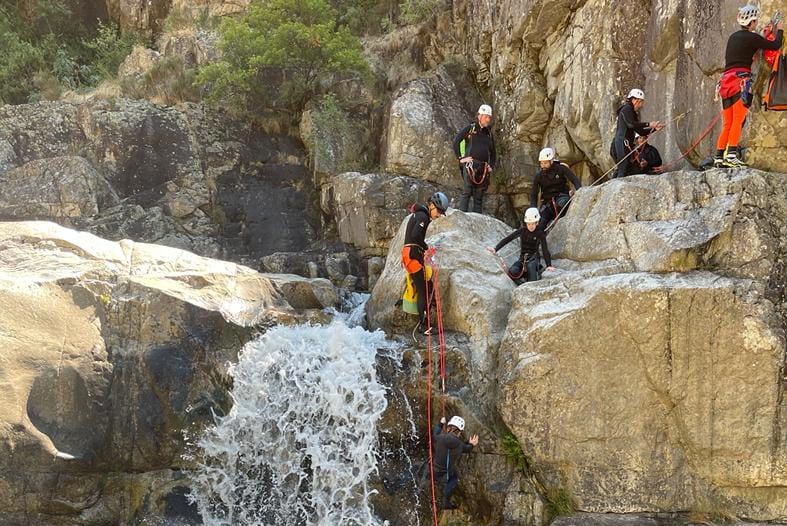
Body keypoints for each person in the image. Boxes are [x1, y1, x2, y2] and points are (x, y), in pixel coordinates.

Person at [714, 5, 783, 168]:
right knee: (738, 120)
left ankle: (719, 157)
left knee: (727, 123)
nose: (756, 22)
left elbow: (752, 46)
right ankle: (731, 155)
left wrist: (764, 35)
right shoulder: (752, 38)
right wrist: (779, 30)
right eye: (755, 20)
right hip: (740, 81)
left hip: (725, 82)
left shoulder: (733, 37)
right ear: (752, 22)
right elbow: (775, 45)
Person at [401, 191, 448, 335]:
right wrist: (426, 248)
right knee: (424, 291)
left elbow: (414, 237)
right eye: (438, 211)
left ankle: (425, 322)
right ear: (432, 206)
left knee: (426, 286)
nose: (439, 214)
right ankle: (424, 326)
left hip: (412, 254)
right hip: (412, 255)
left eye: (441, 212)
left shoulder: (420, 215)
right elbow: (415, 235)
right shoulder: (423, 216)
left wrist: (424, 249)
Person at [488, 207, 555, 284]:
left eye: (533, 223)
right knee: (512, 272)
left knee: (531, 271)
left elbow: (545, 249)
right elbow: (508, 239)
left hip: (534, 259)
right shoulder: (522, 231)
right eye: (528, 224)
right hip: (522, 259)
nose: (530, 226)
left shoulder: (540, 233)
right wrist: (495, 249)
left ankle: (536, 273)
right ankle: (522, 284)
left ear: (537, 222)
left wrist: (549, 265)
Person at [452, 104, 497, 214]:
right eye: (486, 117)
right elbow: (456, 141)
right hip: (470, 165)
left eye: (489, 117)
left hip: (483, 168)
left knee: (479, 197)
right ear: (480, 116)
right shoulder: (471, 128)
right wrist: (461, 158)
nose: (488, 120)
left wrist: (491, 165)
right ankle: (462, 218)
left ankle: (476, 220)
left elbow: (493, 153)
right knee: (467, 192)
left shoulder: (489, 134)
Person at [610, 89, 664, 179]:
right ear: (634, 100)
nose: (641, 105)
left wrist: (654, 129)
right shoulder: (627, 109)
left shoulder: (631, 112)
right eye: (640, 102)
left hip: (623, 143)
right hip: (622, 143)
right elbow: (631, 124)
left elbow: (640, 131)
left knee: (627, 169)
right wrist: (649, 124)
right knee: (623, 168)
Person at [432, 416, 479, 510]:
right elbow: (467, 449)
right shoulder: (461, 445)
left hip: (433, 470)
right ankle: (445, 500)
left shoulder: (440, 438)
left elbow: (435, 434)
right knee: (454, 478)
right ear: (460, 432)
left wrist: (440, 424)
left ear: (448, 428)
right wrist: (472, 444)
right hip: (446, 474)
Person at [530, 147, 582, 230]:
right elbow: (534, 194)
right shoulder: (539, 176)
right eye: (541, 163)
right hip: (548, 203)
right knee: (540, 223)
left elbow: (574, 179)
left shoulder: (561, 169)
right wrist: (533, 210)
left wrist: (580, 191)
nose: (543, 165)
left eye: (545, 163)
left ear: (551, 161)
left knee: (562, 203)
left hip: (562, 197)